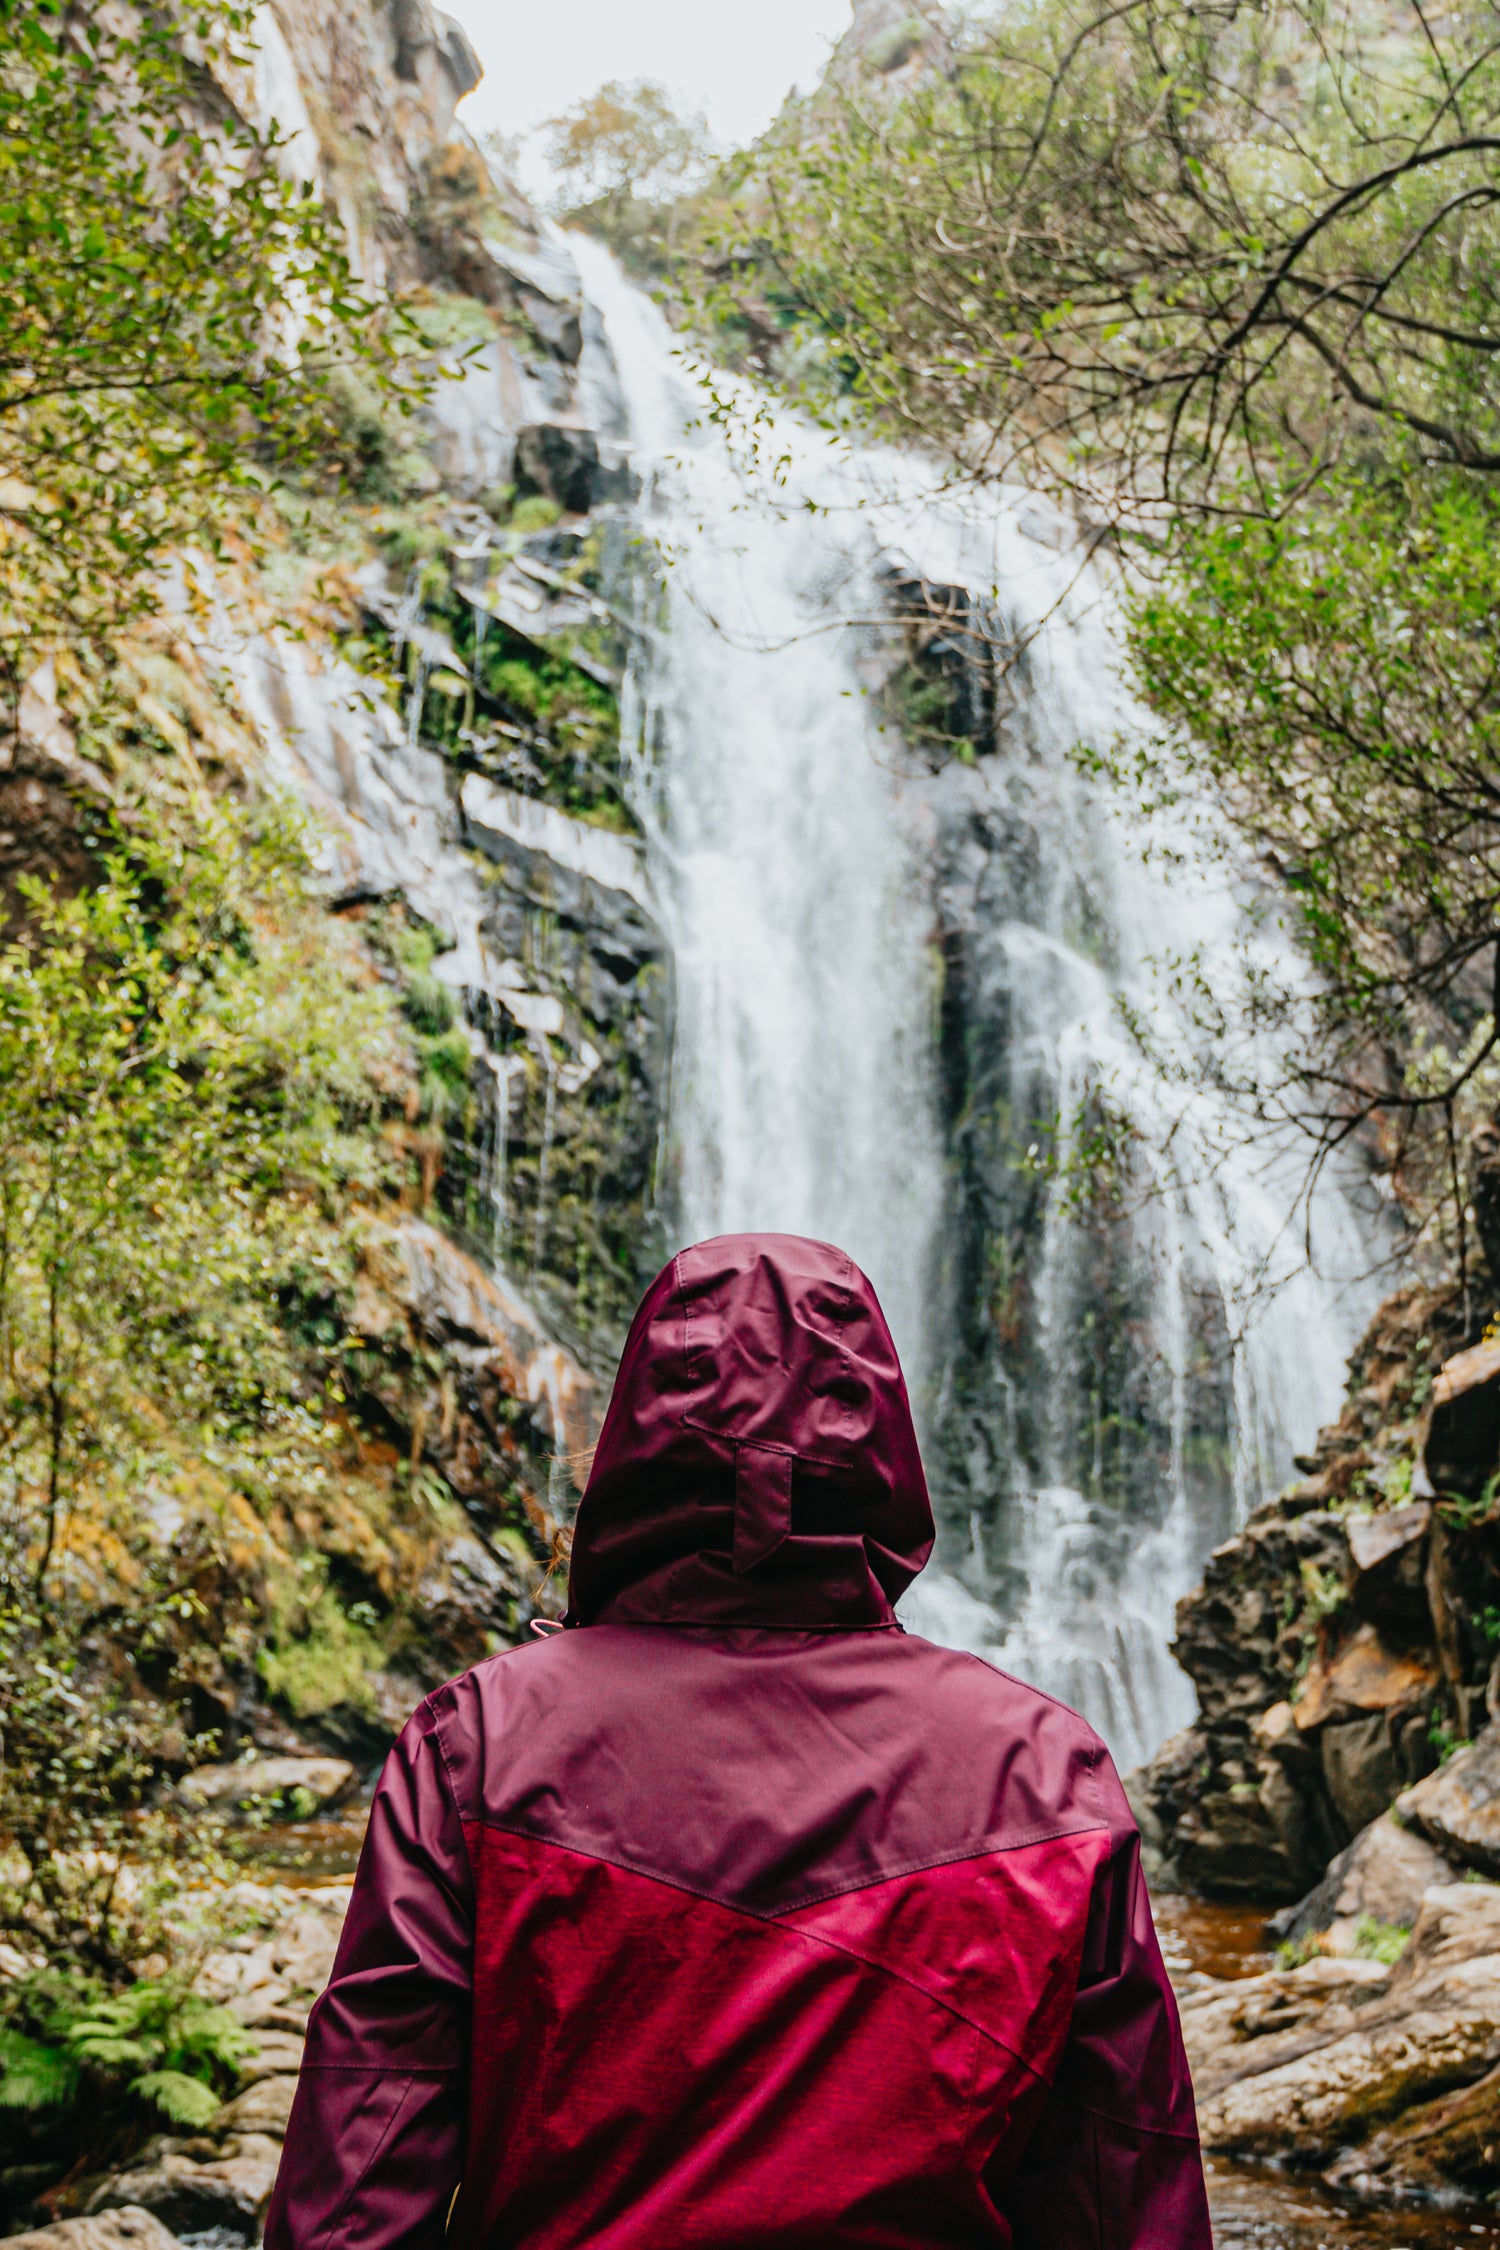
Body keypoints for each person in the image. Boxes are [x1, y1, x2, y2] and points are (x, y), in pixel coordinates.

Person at [266, 1232, 1211, 2249]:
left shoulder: (477, 1745)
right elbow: (1131, 2199)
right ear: (884, 1450)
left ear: (633, 1432)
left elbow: (355, 2195)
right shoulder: (1046, 1772)